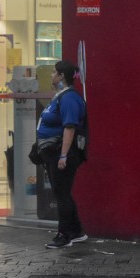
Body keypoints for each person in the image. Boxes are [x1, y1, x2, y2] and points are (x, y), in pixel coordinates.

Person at [36, 59, 88, 248]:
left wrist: (64, 155)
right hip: (53, 152)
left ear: (61, 76)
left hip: (62, 153)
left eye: (53, 72)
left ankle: (64, 235)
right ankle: (77, 231)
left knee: (62, 195)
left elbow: (70, 127)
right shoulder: (61, 96)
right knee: (62, 193)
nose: (51, 75)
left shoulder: (69, 98)